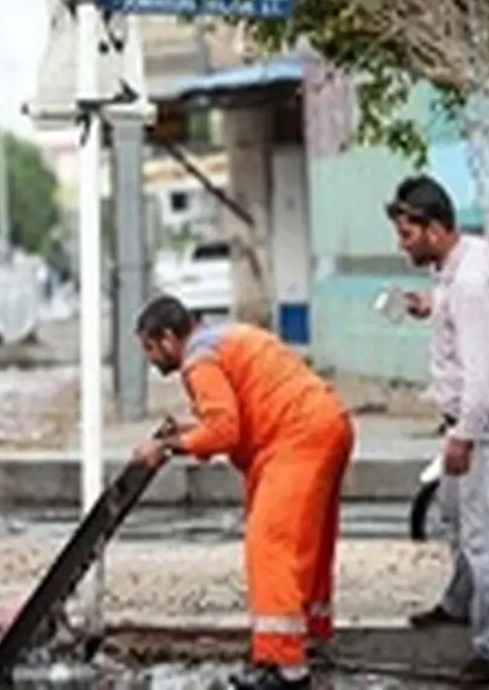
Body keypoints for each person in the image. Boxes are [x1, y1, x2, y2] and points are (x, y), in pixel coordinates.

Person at [131, 295, 354, 690]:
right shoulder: (222, 340)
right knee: (308, 548)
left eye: (149, 348)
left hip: (296, 437)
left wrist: (166, 447)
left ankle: (286, 667)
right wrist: (184, 434)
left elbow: (223, 430)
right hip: (323, 424)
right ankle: (309, 637)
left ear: (167, 338)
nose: (151, 360)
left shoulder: (198, 362)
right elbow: (237, 413)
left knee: (270, 545)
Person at [385, 175, 489, 687]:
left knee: (483, 535)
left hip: (486, 426)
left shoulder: (467, 284)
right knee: (450, 509)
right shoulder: (462, 258)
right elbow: (465, 317)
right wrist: (431, 307)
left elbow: (483, 372)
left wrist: (464, 436)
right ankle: (457, 601)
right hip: (471, 422)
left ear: (434, 229)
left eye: (407, 235)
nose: (402, 244)